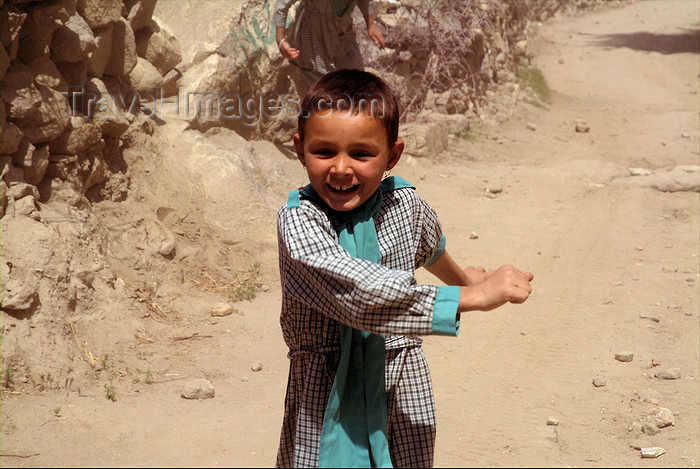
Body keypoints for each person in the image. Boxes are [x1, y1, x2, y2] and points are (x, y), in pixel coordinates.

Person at [276, 69, 534, 468]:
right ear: (299, 147)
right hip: (325, 389)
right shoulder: (299, 221)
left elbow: (429, 247)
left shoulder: (404, 203)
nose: (341, 169)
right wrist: (472, 296)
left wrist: (465, 279)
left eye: (361, 154)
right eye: (324, 151)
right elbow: (357, 294)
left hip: (398, 379)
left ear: (392, 155)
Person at [273, 0, 386, 99]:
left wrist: (370, 24)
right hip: (314, 35)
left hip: (343, 32)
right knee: (322, 85)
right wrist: (280, 40)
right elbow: (282, 4)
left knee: (357, 81)